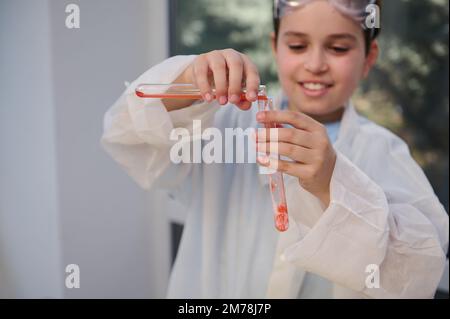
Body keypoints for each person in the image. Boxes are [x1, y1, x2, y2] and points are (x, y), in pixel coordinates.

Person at [101, 0, 449, 298]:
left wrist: (334, 183)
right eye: (297, 46)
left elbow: (418, 272)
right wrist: (188, 83)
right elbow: (126, 136)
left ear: (369, 56)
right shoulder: (224, 125)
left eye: (339, 48)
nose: (315, 64)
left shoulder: (384, 153)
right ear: (274, 46)